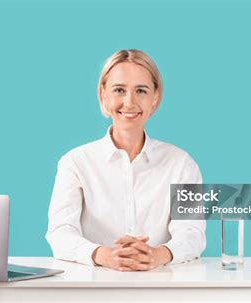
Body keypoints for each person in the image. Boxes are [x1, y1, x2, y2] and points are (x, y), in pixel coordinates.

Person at [46, 49, 205, 271]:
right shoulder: (74, 162)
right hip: (93, 289)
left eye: (141, 90)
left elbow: (192, 233)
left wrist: (158, 254)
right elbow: (60, 232)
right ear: (103, 94)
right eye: (119, 90)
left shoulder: (182, 164)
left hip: (161, 287)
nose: (129, 102)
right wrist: (104, 255)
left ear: (155, 97)